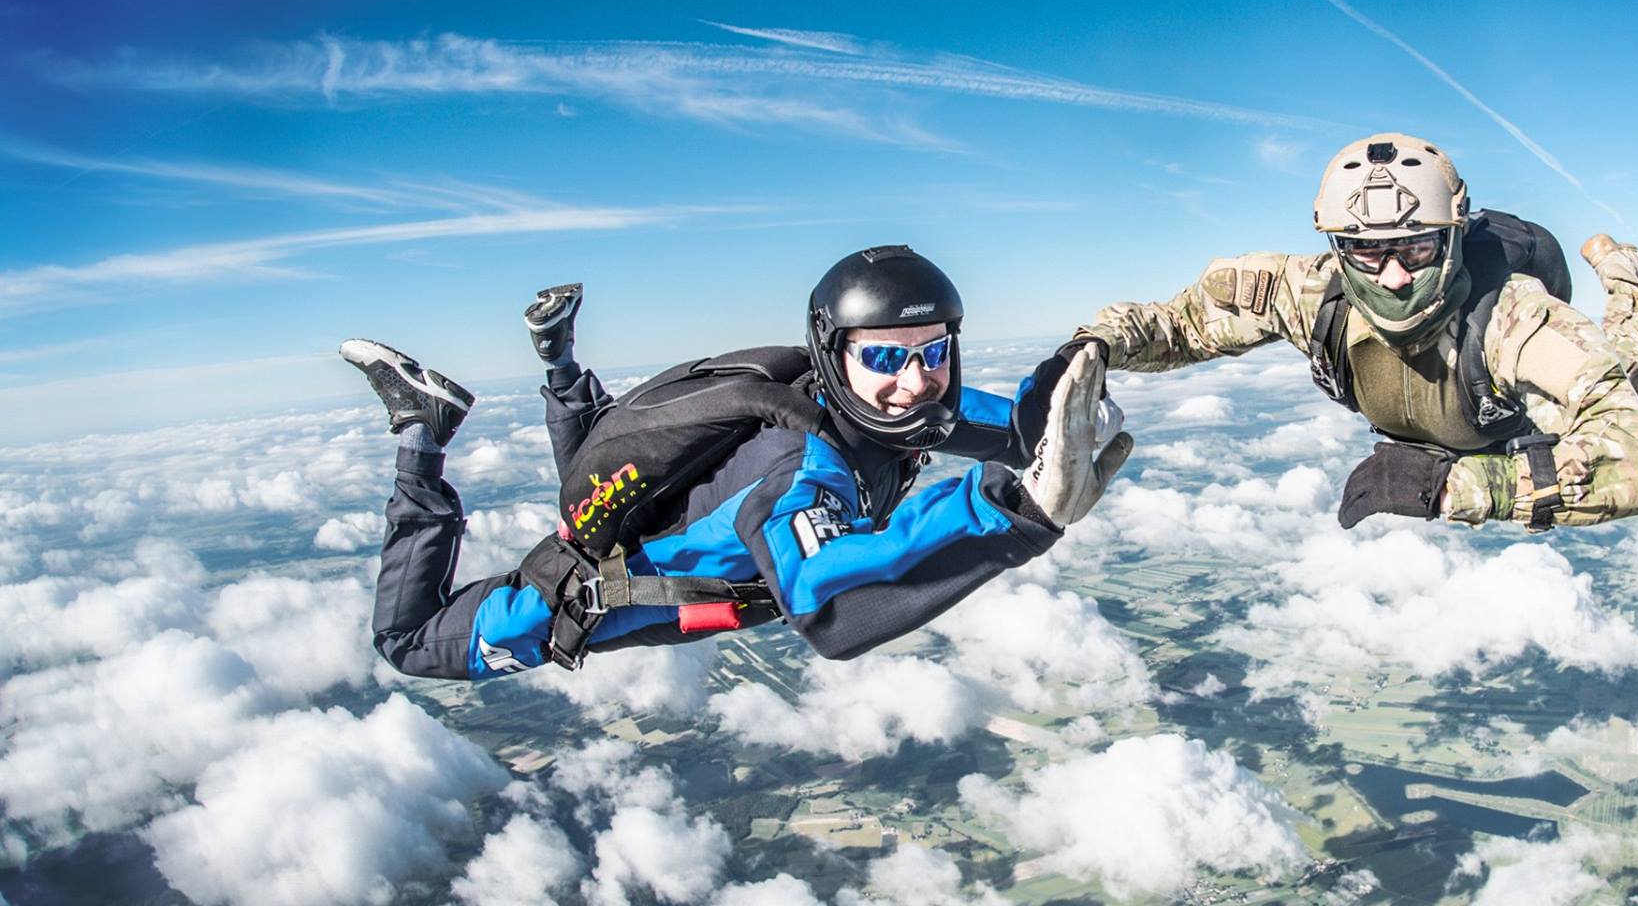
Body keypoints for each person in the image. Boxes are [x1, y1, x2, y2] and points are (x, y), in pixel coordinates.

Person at [342, 244, 1132, 680]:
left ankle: (559, 362)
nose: (915, 377)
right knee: (409, 642)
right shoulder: (797, 472)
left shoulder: (902, 406)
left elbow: (1020, 426)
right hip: (570, 595)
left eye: (934, 351)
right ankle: (422, 436)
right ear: (835, 355)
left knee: (584, 462)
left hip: (652, 512)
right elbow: (831, 607)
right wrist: (1011, 513)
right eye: (887, 353)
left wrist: (1083, 362)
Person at [1075, 133, 1638, 531]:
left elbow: (1632, 463)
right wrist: (1091, 350)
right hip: (1455, 411)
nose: (1391, 275)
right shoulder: (1311, 291)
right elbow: (1183, 322)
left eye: (1415, 246)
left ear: (1452, 236)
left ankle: (1624, 277)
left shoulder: (1519, 319)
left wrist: (1460, 486)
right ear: (1337, 247)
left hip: (1513, 418)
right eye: (1366, 250)